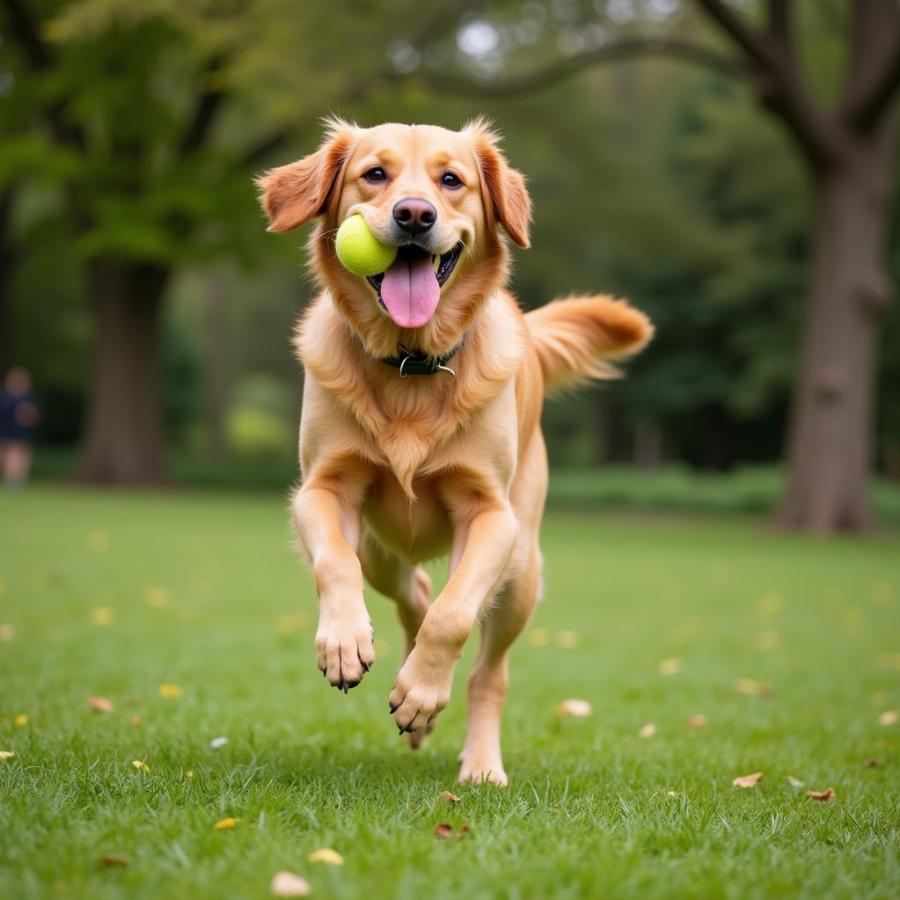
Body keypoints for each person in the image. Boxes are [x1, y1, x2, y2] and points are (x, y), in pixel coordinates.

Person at [0, 367, 39, 487]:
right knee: (7, 455)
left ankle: (16, 481)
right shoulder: (5, 398)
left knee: (19, 455)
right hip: (5, 431)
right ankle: (10, 478)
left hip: (21, 433)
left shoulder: (28, 398)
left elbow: (33, 416)